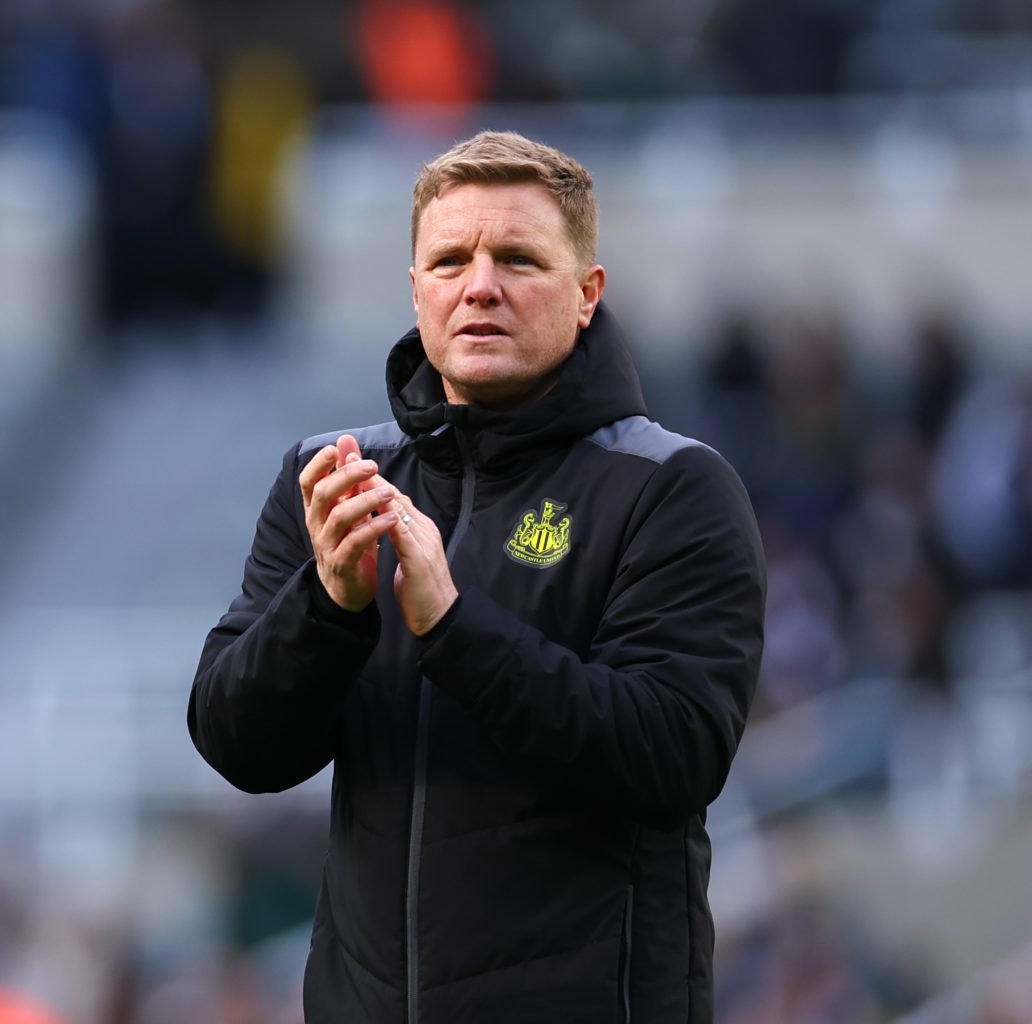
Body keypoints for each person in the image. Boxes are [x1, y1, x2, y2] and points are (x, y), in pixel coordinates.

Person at [188, 130, 766, 1023]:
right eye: (450, 259)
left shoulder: (673, 486)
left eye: (519, 259)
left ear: (587, 295)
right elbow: (237, 743)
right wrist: (331, 608)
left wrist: (455, 631)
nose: (480, 284)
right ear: (416, 291)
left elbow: (676, 754)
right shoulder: (336, 478)